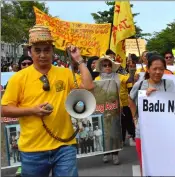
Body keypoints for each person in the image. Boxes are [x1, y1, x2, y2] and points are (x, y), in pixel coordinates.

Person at [1, 25, 94, 177]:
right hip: (32, 150)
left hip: (64, 146)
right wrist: (33, 110)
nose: (43, 54)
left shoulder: (65, 73)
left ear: (52, 51)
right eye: (37, 50)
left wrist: (79, 60)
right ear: (30, 52)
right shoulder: (19, 78)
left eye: (47, 50)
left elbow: (89, 86)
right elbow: (4, 109)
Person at [129, 55, 175, 175]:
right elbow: (130, 100)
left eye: (161, 69)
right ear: (148, 69)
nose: (158, 72)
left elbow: (173, 103)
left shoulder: (169, 84)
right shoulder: (139, 85)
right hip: (143, 133)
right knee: (146, 166)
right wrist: (135, 118)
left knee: (163, 164)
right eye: (154, 68)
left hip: (164, 133)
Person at [94, 55, 130, 165]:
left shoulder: (118, 76)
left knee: (115, 132)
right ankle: (105, 153)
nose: (107, 67)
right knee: (104, 132)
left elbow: (130, 80)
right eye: (105, 65)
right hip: (102, 109)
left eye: (109, 65)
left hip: (115, 109)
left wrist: (132, 70)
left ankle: (115, 154)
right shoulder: (97, 79)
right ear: (101, 67)